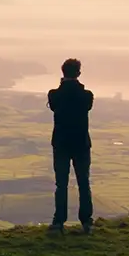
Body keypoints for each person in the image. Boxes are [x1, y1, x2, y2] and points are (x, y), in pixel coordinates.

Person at [48, 58, 94, 234]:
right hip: (81, 143)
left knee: (61, 184)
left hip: (61, 143)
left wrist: (63, 85)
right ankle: (86, 221)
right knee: (83, 182)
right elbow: (86, 106)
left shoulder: (54, 94)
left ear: (63, 72)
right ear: (79, 73)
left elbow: (55, 106)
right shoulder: (86, 95)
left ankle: (59, 221)